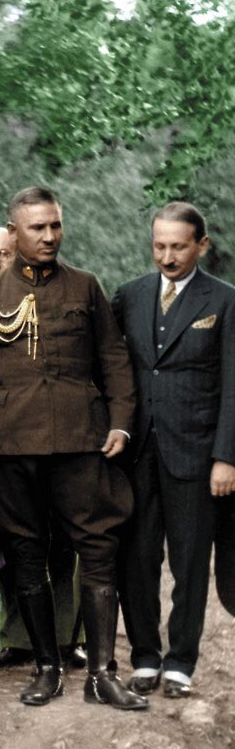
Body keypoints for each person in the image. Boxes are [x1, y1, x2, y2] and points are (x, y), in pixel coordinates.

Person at [0, 186, 147, 711]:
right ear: (14, 231)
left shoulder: (86, 287)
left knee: (99, 549)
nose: (48, 236)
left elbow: (115, 362)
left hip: (82, 443)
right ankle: (46, 667)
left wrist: (121, 425)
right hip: (13, 446)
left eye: (54, 226)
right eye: (37, 228)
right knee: (26, 553)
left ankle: (103, 674)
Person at [111, 201, 235, 698]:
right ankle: (144, 656)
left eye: (178, 246)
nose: (167, 256)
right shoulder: (130, 296)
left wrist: (227, 456)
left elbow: (233, 385)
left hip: (197, 453)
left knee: (188, 561)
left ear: (200, 246)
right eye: (159, 245)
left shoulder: (224, 301)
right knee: (137, 557)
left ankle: (181, 661)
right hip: (136, 451)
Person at [0, 226, 84, 669]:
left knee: (64, 544)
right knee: (13, 550)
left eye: (3, 252)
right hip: (3, 446)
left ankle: (65, 636)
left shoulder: (49, 299)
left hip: (54, 443)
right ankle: (16, 636)